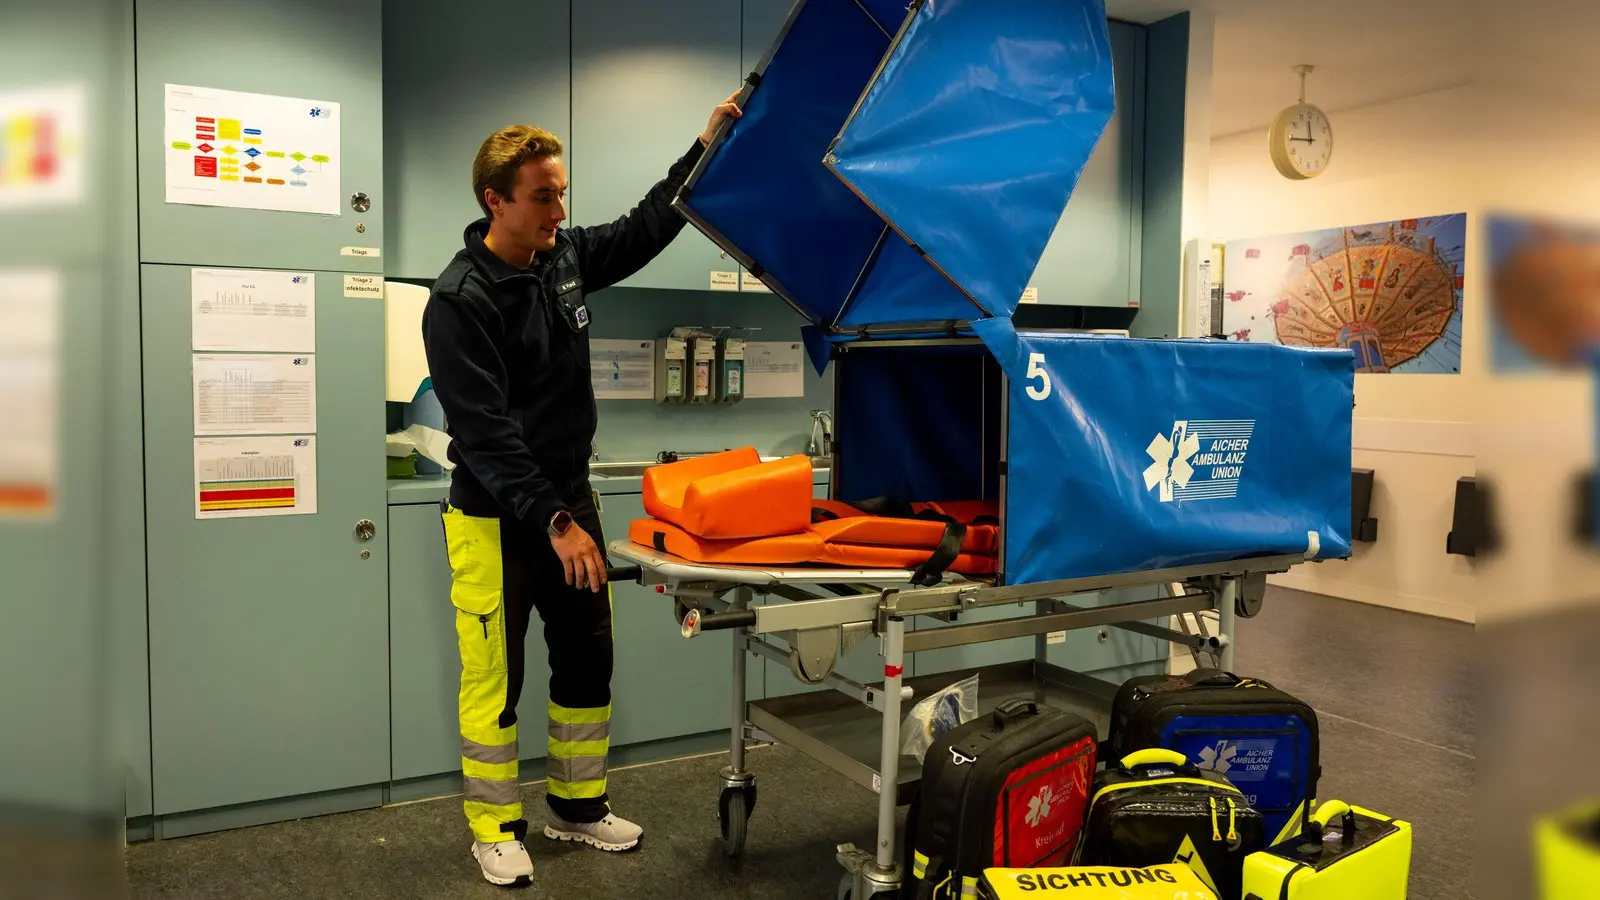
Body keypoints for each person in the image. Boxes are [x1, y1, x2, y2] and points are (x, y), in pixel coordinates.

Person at [421, 92, 741, 887]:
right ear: (495, 200)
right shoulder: (459, 301)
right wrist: (556, 520)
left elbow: (645, 225)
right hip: (497, 517)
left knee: (586, 661)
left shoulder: (562, 260)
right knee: (498, 680)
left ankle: (577, 806)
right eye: (542, 196)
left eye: (562, 192)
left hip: (569, 506)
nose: (559, 209)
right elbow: (487, 436)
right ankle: (494, 826)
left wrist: (704, 148)